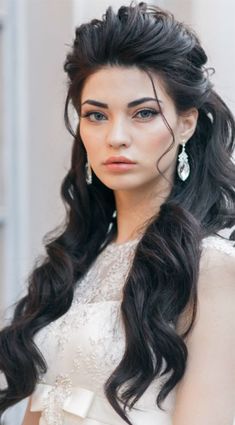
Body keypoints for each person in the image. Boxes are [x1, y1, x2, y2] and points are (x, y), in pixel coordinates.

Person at [0, 2, 235, 424]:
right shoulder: (79, 259)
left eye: (143, 113)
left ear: (186, 123)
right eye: (96, 115)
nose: (116, 137)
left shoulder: (211, 266)